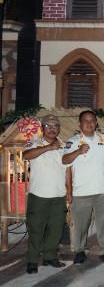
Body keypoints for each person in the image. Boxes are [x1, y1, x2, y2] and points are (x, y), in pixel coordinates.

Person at [63, 110, 104, 264]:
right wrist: (78, 151)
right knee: (80, 224)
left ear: (96, 123)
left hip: (102, 190)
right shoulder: (73, 141)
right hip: (81, 191)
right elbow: (65, 161)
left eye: (92, 120)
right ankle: (79, 250)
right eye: (85, 120)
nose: (89, 123)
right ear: (79, 124)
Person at [24, 114, 70, 274]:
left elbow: (67, 169)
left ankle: (50, 257)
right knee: (36, 229)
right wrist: (48, 148)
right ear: (42, 128)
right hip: (39, 195)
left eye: (55, 125)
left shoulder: (64, 145)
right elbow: (26, 155)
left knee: (56, 229)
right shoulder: (34, 143)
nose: (52, 128)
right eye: (48, 126)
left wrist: (69, 190)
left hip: (58, 194)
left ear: (59, 128)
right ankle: (32, 260)